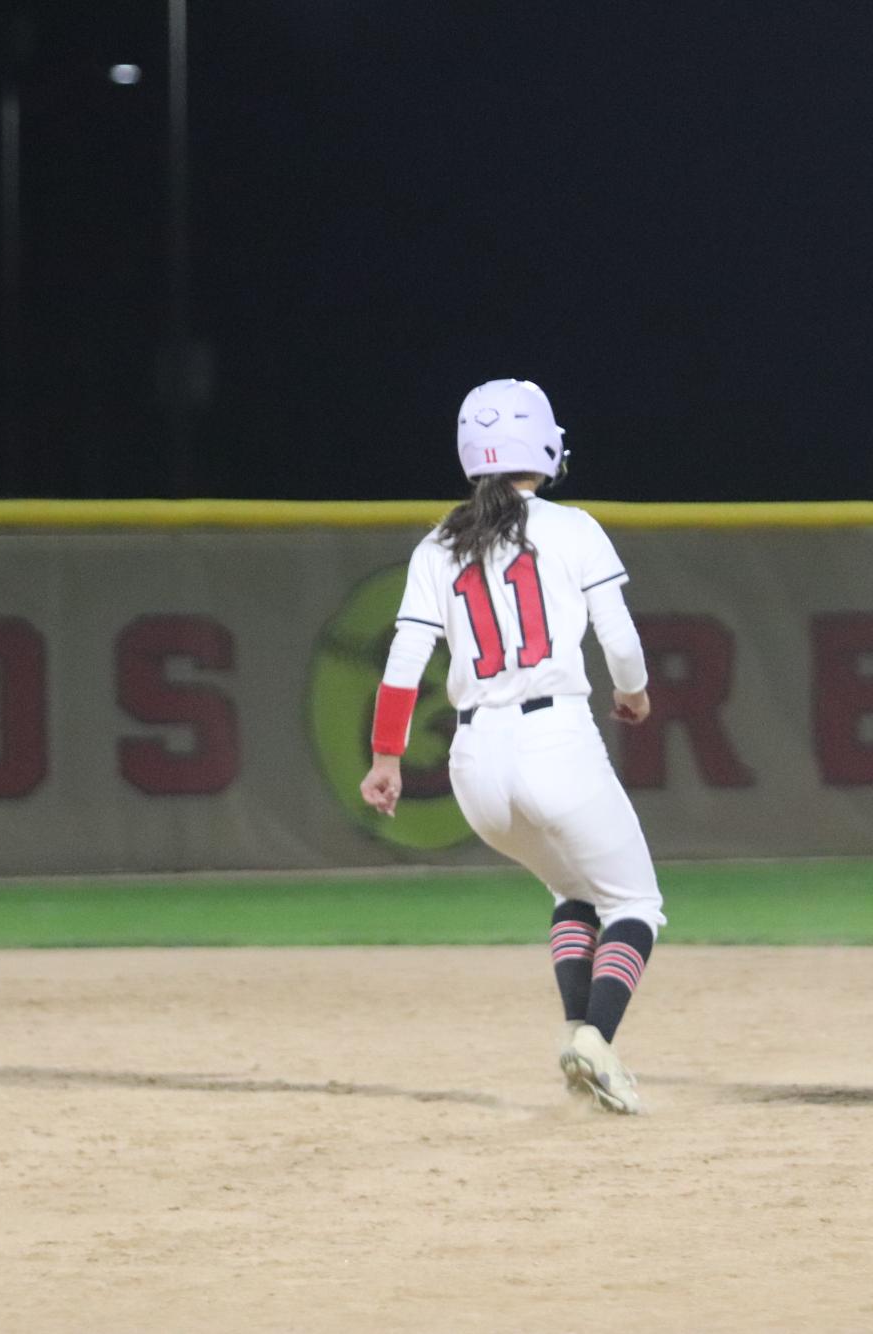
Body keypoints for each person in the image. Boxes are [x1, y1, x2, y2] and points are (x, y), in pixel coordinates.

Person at [360, 378, 662, 1115]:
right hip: (552, 735)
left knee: (572, 893)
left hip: (472, 764)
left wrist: (386, 756)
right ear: (545, 445)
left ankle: (578, 1038)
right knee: (635, 906)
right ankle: (595, 1039)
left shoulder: (439, 543)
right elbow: (618, 641)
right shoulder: (572, 527)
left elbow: (405, 660)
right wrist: (634, 693)